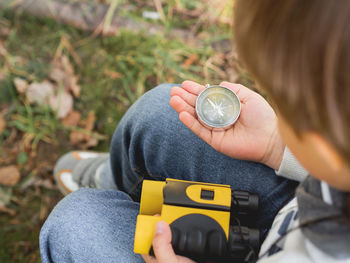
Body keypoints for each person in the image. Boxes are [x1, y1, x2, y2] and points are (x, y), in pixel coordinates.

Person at [40, 0, 350, 262]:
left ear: (323, 146)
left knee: (75, 227)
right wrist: (277, 145)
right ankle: (111, 182)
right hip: (299, 200)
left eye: (284, 110)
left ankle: (108, 198)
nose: (277, 113)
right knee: (161, 114)